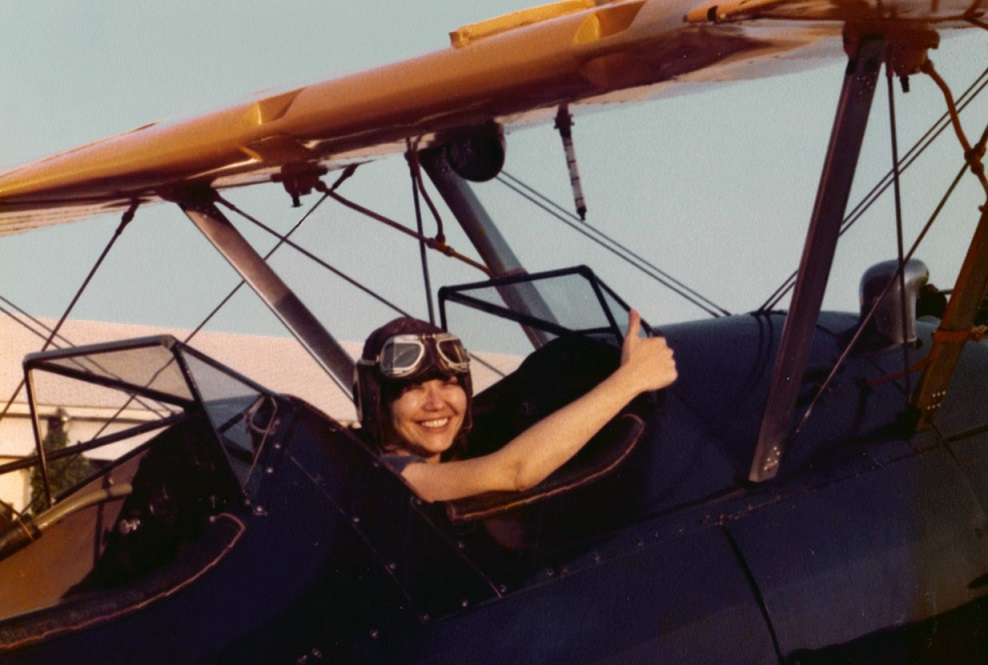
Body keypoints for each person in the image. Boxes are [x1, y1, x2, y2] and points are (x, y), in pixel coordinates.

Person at [354, 310, 676, 503]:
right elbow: (515, 472)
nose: (437, 403)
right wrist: (630, 379)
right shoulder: (394, 475)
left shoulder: (453, 459)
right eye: (413, 389)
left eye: (449, 383)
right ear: (377, 403)